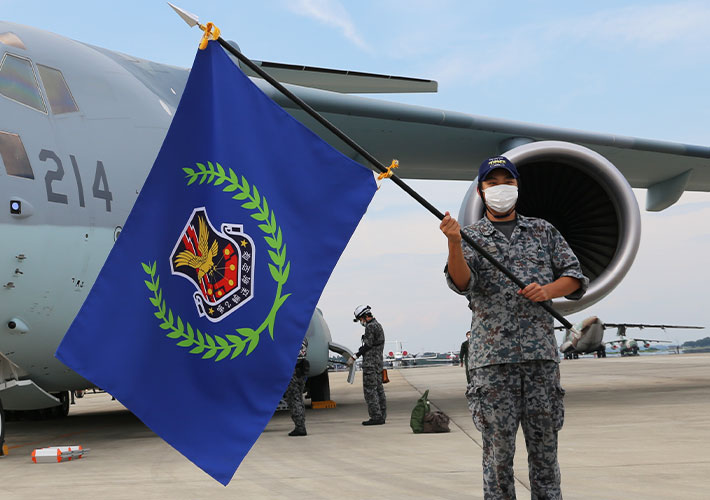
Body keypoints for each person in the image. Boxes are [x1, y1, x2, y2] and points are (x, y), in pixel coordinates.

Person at [439, 156, 588, 499]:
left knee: (545, 453)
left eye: (507, 182)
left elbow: (574, 278)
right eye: (492, 183)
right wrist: (454, 243)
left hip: (539, 360)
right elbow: (461, 283)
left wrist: (547, 290)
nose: (500, 189)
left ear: (518, 187)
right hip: (493, 364)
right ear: (481, 191)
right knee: (498, 455)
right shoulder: (470, 237)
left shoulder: (543, 231)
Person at [352, 305, 387, 426]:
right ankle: (382, 415)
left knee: (370, 391)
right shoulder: (378, 325)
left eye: (360, 319)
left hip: (370, 364)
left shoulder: (370, 327)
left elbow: (368, 345)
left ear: (364, 316)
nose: (361, 322)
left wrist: (355, 355)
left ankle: (376, 416)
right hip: (377, 363)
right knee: (379, 390)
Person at [285, 336, 309, 436]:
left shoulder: (292, 337)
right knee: (298, 397)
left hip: (294, 369)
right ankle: (300, 424)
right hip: (301, 368)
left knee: (294, 399)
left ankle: (300, 427)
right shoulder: (303, 338)